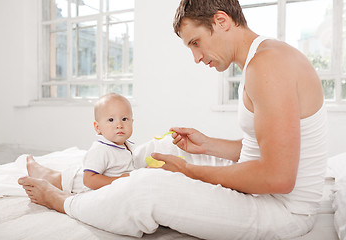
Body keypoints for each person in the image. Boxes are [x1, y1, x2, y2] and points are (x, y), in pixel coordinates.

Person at [18, 0, 328, 239]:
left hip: (283, 211)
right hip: (267, 191)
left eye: (195, 43)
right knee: (161, 148)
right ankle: (68, 177)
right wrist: (208, 145)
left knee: (150, 186)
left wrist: (190, 172)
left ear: (221, 21)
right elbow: (265, 147)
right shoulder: (262, 58)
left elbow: (278, 177)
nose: (196, 57)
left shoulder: (267, 66)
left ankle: (62, 200)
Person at [21, 93, 139, 197]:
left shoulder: (129, 146)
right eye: (111, 120)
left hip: (100, 177)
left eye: (124, 119)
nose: (119, 124)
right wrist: (119, 180)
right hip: (78, 183)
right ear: (98, 127)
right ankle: (39, 171)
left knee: (62, 174)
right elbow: (88, 180)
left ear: (132, 122)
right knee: (56, 179)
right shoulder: (101, 149)